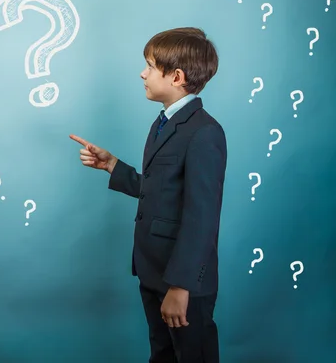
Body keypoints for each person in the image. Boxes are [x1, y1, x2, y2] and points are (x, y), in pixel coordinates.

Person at [70, 27, 227, 363]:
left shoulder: (204, 133)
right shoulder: (163, 123)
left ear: (176, 77)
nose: (143, 73)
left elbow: (202, 218)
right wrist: (113, 165)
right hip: (153, 270)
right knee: (163, 354)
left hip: (182, 280)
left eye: (151, 67)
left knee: (192, 356)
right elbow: (161, 192)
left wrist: (181, 287)